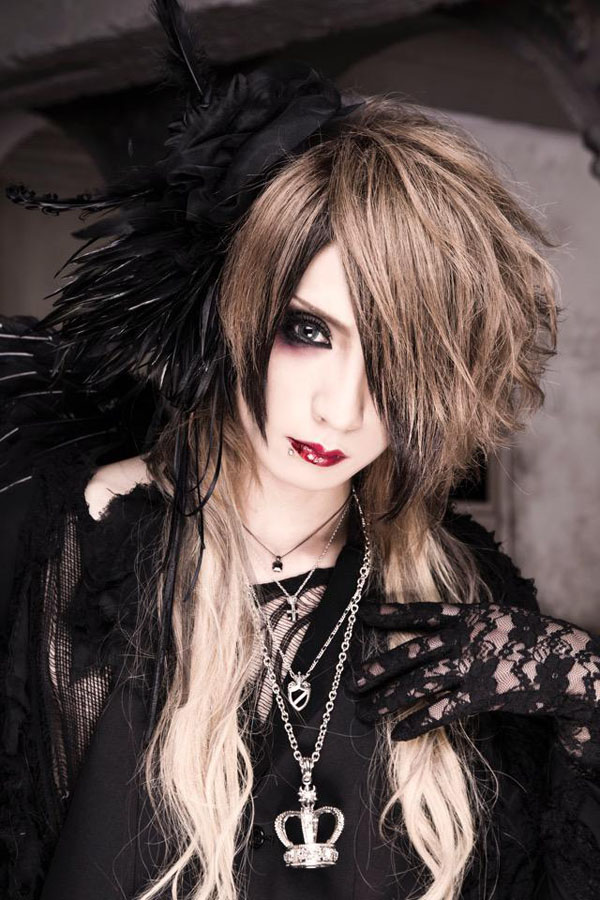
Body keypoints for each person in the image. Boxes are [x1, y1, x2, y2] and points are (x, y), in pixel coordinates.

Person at [1, 1, 600, 898]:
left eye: (396, 358)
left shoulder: (464, 598)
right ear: (238, 315)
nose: (342, 408)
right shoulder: (81, 563)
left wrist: (584, 683)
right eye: (307, 330)